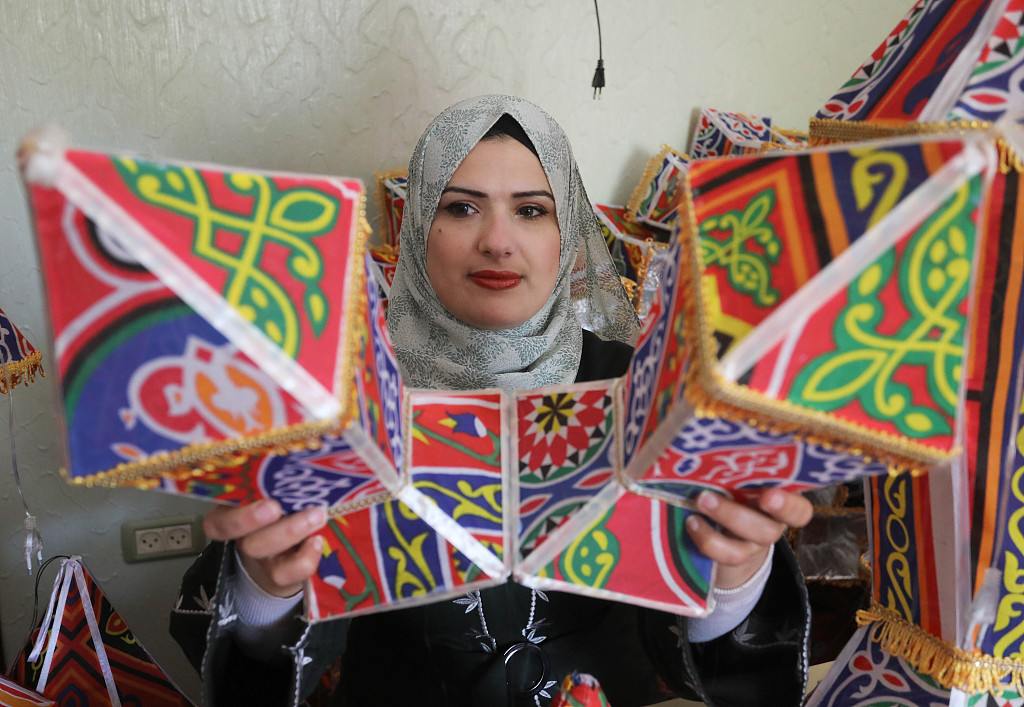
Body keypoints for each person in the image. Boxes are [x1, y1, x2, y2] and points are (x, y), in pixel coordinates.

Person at [170, 94, 813, 707]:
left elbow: (697, 667)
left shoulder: (643, 390)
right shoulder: (347, 396)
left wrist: (736, 574)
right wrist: (265, 588)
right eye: (461, 208)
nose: (498, 242)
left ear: (568, 234)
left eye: (532, 210)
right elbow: (243, 663)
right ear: (420, 227)